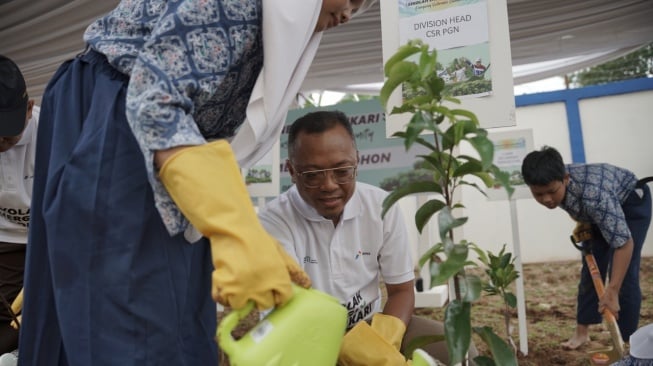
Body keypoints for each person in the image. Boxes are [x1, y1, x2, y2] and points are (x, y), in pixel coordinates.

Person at [18, 1, 376, 365]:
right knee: (132, 323)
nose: (349, 13)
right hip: (119, 124)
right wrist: (232, 229)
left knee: (181, 324)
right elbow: (156, 100)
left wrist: (243, 231)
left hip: (163, 146)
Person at [258, 110, 476, 365]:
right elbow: (291, 315)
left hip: (371, 327)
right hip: (299, 339)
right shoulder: (272, 222)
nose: (329, 185)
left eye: (341, 170)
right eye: (313, 175)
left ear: (357, 161)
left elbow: (402, 291)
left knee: (460, 350)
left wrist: (381, 344)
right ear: (292, 171)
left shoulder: (381, 206)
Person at [521, 146, 652, 350]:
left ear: (565, 178)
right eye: (539, 194)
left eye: (551, 192)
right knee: (591, 269)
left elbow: (624, 244)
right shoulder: (554, 178)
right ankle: (582, 333)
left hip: (630, 202)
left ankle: (628, 342)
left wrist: (612, 290)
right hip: (600, 208)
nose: (546, 199)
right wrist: (583, 220)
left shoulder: (594, 196)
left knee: (624, 274)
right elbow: (574, 200)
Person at [0, 55, 38, 356]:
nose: (1, 140)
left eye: (8, 132)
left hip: (53, 234)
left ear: (28, 108)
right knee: (7, 325)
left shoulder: (56, 129)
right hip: (5, 237)